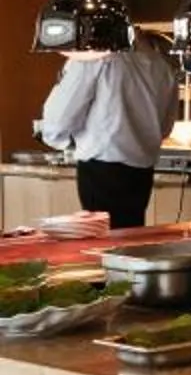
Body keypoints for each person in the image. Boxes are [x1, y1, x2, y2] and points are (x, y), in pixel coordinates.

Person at [37, 27, 180, 230]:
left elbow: (61, 114)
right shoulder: (160, 65)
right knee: (131, 238)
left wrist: (56, 138)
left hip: (102, 166)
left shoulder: (93, 58)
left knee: (102, 239)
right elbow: (165, 128)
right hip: (141, 172)